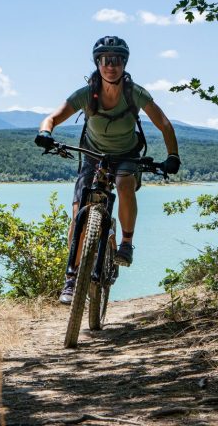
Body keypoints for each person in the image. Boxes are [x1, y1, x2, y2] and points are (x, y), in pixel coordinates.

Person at [35, 36, 181, 304]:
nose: (110, 66)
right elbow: (53, 117)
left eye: (116, 60)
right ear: (98, 63)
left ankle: (125, 243)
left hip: (126, 154)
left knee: (125, 184)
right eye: (105, 60)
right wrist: (45, 132)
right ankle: (71, 278)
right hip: (92, 154)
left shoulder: (134, 93)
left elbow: (164, 124)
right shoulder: (87, 93)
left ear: (124, 63)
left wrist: (173, 156)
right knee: (78, 213)